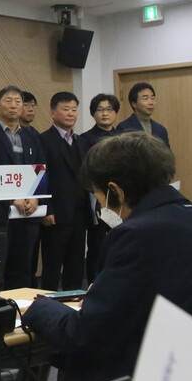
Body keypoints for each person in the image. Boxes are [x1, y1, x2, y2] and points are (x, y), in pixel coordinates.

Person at [22, 132, 192, 381]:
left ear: (115, 191)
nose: (100, 207)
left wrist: (39, 307)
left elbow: (85, 334)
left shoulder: (135, 235)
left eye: (98, 196)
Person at [0, 86, 45, 289]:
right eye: (8, 101)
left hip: (28, 213)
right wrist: (11, 198)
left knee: (24, 268)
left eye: (18, 101)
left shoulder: (32, 136)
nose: (14, 105)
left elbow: (41, 169)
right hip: (0, 212)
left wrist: (36, 197)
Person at [38, 92, 89, 291]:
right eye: (65, 109)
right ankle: (47, 301)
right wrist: (46, 207)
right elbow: (41, 176)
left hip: (80, 212)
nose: (71, 113)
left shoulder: (80, 141)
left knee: (76, 265)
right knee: (52, 266)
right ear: (53, 113)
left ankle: (73, 300)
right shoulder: (43, 140)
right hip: (56, 214)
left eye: (74, 109)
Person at [78, 93, 121, 281]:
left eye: (109, 109)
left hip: (122, 199)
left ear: (116, 112)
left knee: (121, 244)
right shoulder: (85, 139)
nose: (105, 114)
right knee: (98, 245)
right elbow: (86, 171)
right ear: (93, 114)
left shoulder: (124, 138)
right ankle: (95, 284)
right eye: (100, 110)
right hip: (97, 199)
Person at [118, 82, 170, 148]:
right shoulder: (124, 127)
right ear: (134, 104)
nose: (151, 102)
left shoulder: (161, 130)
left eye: (152, 98)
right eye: (145, 98)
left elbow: (167, 153)